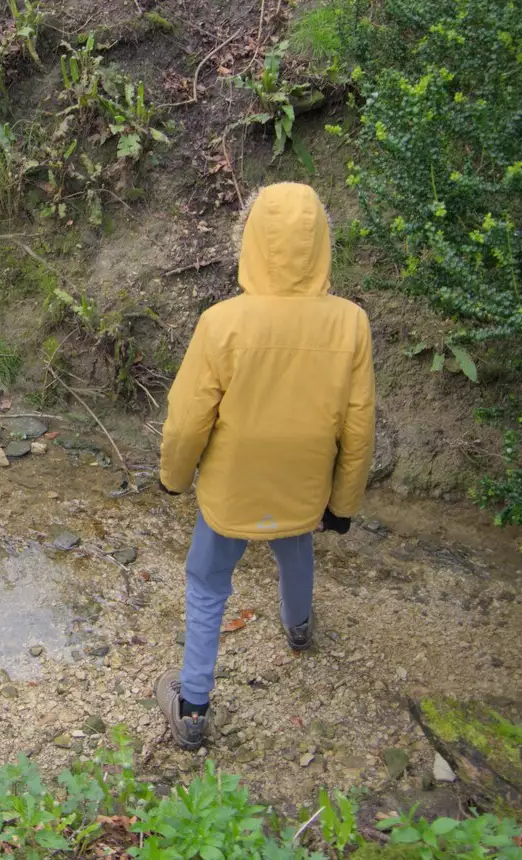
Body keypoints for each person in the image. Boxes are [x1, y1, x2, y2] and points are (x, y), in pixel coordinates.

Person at [153, 182, 375, 750]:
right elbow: (358, 426)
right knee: (295, 541)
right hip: (303, 485)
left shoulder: (223, 322)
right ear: (322, 242)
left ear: (250, 240)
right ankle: (299, 629)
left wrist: (174, 479)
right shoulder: (350, 323)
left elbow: (186, 420)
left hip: (232, 489)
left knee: (207, 579)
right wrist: (343, 504)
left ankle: (194, 706)